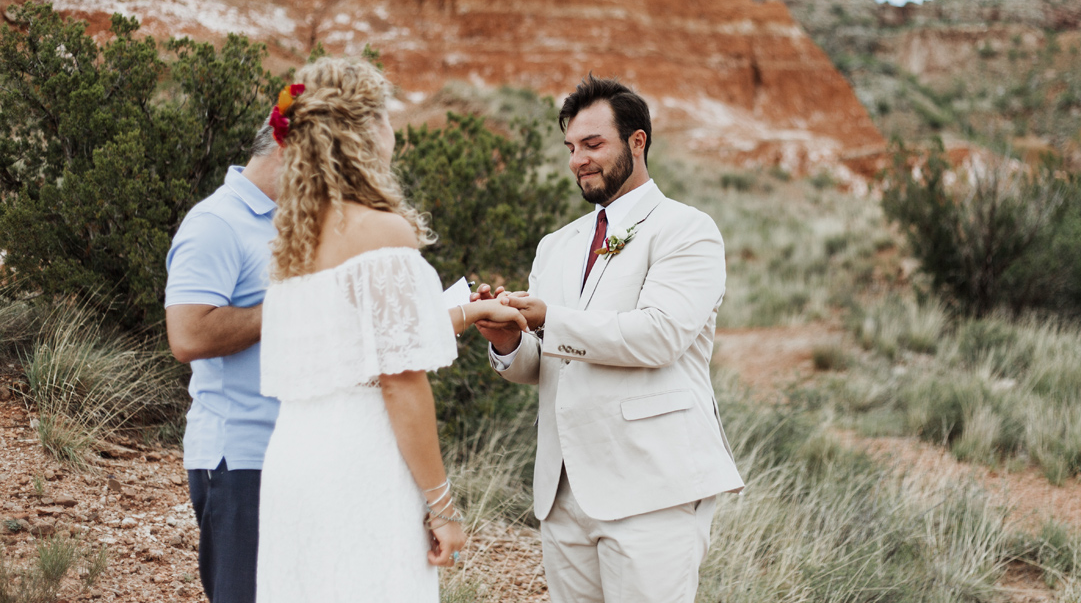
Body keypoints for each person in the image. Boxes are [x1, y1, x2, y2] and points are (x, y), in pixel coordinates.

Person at [254, 57, 528, 602]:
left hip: (293, 456)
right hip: (361, 459)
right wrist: (442, 506)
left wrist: (468, 313)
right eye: (388, 117)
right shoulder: (381, 231)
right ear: (367, 131)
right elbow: (400, 380)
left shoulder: (292, 244)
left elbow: (354, 347)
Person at [476, 75, 745, 603]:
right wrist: (508, 342)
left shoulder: (687, 229)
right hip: (562, 489)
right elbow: (549, 361)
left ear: (637, 142)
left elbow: (660, 336)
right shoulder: (556, 245)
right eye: (572, 148)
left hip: (652, 487)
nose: (579, 160)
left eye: (594, 144)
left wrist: (550, 318)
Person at [164, 120, 284, 603]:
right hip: (239, 460)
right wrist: (292, 305)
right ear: (287, 146)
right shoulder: (216, 222)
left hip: (289, 453)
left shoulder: (288, 222)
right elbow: (188, 334)